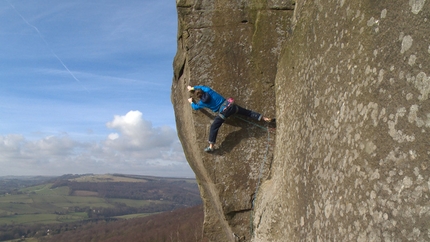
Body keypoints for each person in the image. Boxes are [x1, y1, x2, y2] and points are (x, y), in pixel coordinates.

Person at [187, 85, 272, 152]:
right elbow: (202, 87)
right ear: (203, 91)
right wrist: (193, 88)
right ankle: (264, 118)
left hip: (223, 113)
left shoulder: (202, 102)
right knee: (247, 112)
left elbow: (195, 107)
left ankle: (211, 146)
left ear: (199, 97)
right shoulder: (209, 90)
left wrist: (191, 102)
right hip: (231, 106)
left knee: (214, 127)